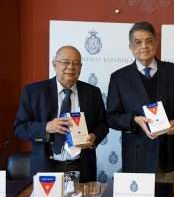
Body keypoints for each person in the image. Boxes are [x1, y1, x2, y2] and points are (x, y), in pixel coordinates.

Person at [107, 21, 174, 183]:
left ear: (156, 43)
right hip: (136, 159)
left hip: (169, 158)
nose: (144, 46)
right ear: (131, 47)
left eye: (149, 41)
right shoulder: (119, 78)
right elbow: (111, 116)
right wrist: (134, 120)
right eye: (138, 42)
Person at [14, 46, 109, 182]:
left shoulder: (92, 93)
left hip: (82, 168)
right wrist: (46, 127)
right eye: (65, 62)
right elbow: (20, 128)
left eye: (76, 63)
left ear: (81, 67)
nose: (71, 67)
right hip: (46, 168)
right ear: (54, 64)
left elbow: (103, 124)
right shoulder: (33, 92)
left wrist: (94, 137)